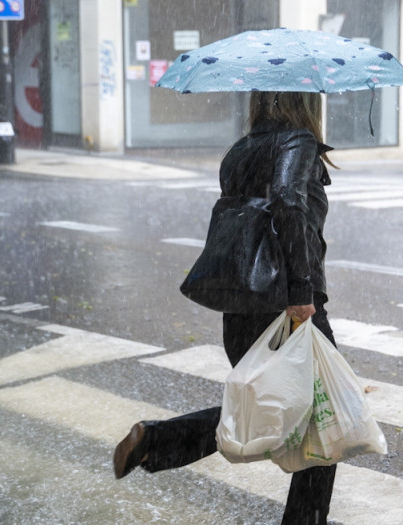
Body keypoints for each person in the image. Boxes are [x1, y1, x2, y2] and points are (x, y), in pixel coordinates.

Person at [113, 90, 338, 525]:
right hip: (286, 305)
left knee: (282, 409)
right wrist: (302, 291)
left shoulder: (242, 149)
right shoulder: (297, 142)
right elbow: (289, 203)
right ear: (307, 101)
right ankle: (157, 440)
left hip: (241, 306)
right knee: (323, 416)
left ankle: (155, 441)